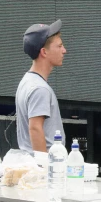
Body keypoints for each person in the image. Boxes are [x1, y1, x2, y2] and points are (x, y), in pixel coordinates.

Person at [16, 20, 67, 154]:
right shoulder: (40, 89)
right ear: (44, 52)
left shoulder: (27, 81)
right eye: (59, 46)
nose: (64, 50)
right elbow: (35, 129)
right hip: (46, 165)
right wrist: (43, 168)